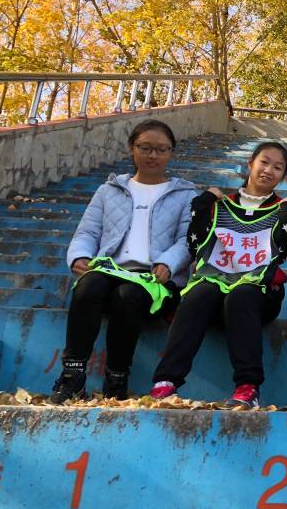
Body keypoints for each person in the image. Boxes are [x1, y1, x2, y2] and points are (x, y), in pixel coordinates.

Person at [50, 120, 196, 403]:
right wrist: (80, 256)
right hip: (109, 269)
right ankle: (72, 376)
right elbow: (88, 232)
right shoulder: (109, 190)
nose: (153, 155)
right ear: (132, 148)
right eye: (145, 147)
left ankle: (117, 379)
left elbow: (187, 240)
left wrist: (168, 263)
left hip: (153, 278)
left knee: (127, 296)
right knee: (88, 286)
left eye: (162, 149)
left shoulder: (186, 195)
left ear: (171, 152)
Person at [150, 142, 287, 407]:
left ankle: (248, 387)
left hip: (259, 293)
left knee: (241, 295)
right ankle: (166, 381)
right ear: (250, 163)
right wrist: (202, 205)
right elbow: (196, 245)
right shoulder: (220, 205)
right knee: (199, 294)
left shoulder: (283, 208)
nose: (269, 170)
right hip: (215, 286)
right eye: (264, 162)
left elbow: (284, 252)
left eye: (278, 167)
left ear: (283, 175)